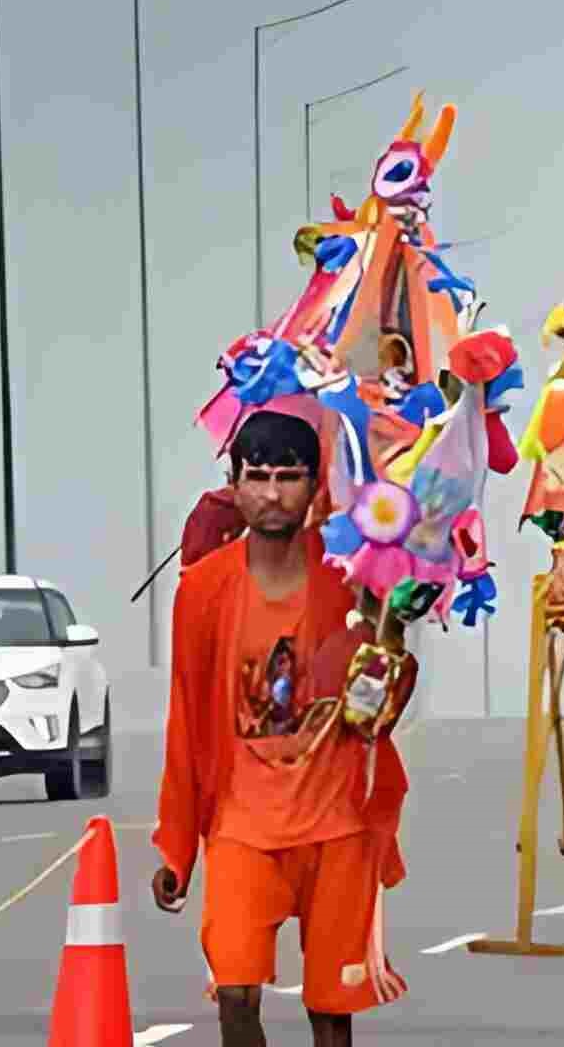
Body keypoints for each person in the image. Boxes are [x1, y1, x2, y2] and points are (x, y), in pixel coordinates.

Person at [151, 410, 417, 1047]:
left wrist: (393, 644)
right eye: (259, 476)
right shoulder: (203, 590)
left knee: (331, 1010)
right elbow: (187, 716)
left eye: (289, 477)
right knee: (236, 993)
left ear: (315, 484)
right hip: (243, 824)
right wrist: (177, 846)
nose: (273, 494)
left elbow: (383, 700)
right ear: (234, 483)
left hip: (337, 822)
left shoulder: (352, 575)